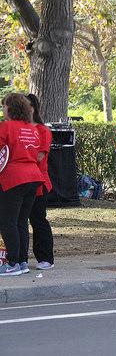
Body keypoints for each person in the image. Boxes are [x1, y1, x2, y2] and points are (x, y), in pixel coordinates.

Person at [0, 93, 44, 276]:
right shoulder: (32, 129)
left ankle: (13, 263)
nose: (2, 109)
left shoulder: (6, 127)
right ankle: (23, 262)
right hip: (33, 177)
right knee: (21, 222)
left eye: (4, 106)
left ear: (10, 108)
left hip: (13, 178)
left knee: (7, 222)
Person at [26, 94, 55, 270]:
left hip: (38, 182)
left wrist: (19, 158)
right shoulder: (18, 128)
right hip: (21, 182)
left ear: (34, 108)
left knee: (38, 219)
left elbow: (40, 156)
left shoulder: (42, 131)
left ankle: (45, 258)